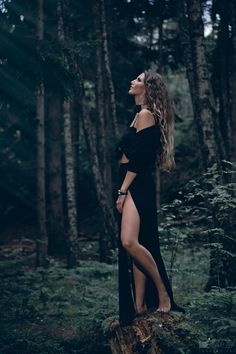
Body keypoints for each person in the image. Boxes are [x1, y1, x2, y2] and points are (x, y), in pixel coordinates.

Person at [115, 70, 186, 326]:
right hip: (130, 180)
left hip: (135, 182)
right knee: (137, 242)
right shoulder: (139, 115)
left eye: (138, 80)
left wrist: (123, 191)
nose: (133, 81)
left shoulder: (145, 116)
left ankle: (163, 292)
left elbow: (140, 159)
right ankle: (140, 304)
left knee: (129, 241)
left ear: (147, 88)